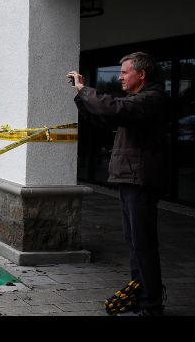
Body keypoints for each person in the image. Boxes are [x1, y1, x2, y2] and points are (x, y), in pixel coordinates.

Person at [68, 51, 169, 316]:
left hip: (140, 179)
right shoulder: (137, 102)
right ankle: (140, 295)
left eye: (124, 72)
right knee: (135, 241)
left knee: (143, 243)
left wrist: (85, 90)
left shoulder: (152, 99)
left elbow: (114, 108)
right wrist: (81, 97)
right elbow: (105, 117)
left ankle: (151, 305)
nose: (120, 77)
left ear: (141, 75)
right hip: (131, 178)